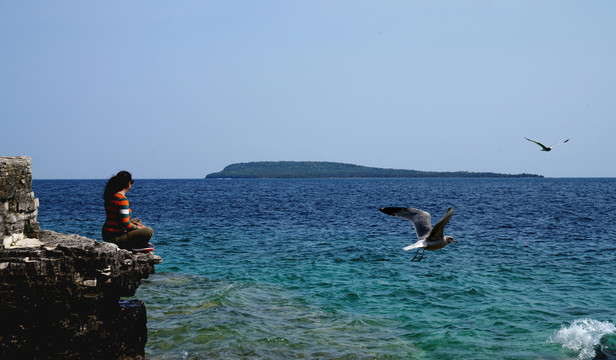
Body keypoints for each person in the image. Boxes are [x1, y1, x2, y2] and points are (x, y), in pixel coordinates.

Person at [102, 171, 154, 250]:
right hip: (114, 238)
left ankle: (137, 241)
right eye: (131, 182)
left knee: (137, 220)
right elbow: (125, 223)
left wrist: (137, 225)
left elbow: (120, 220)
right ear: (128, 183)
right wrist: (140, 228)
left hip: (107, 234)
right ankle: (136, 245)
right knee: (149, 231)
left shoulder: (111, 196)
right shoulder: (122, 200)